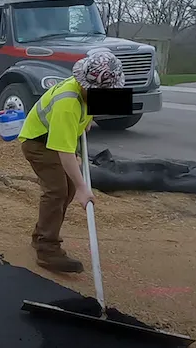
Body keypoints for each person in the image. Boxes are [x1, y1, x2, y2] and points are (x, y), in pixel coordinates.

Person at [17, 51, 125, 273]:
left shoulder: (85, 90)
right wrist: (83, 189)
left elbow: (90, 105)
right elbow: (64, 152)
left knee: (67, 189)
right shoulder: (68, 103)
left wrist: (87, 119)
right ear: (87, 86)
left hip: (53, 139)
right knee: (57, 190)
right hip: (38, 143)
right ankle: (47, 249)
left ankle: (41, 235)